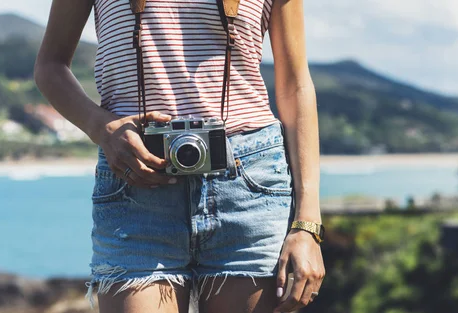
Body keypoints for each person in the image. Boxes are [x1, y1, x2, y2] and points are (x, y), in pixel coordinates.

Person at [34, 0, 325, 312]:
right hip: (135, 179)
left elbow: (295, 85)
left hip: (248, 184)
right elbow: (50, 66)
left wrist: (308, 224)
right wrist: (100, 128)